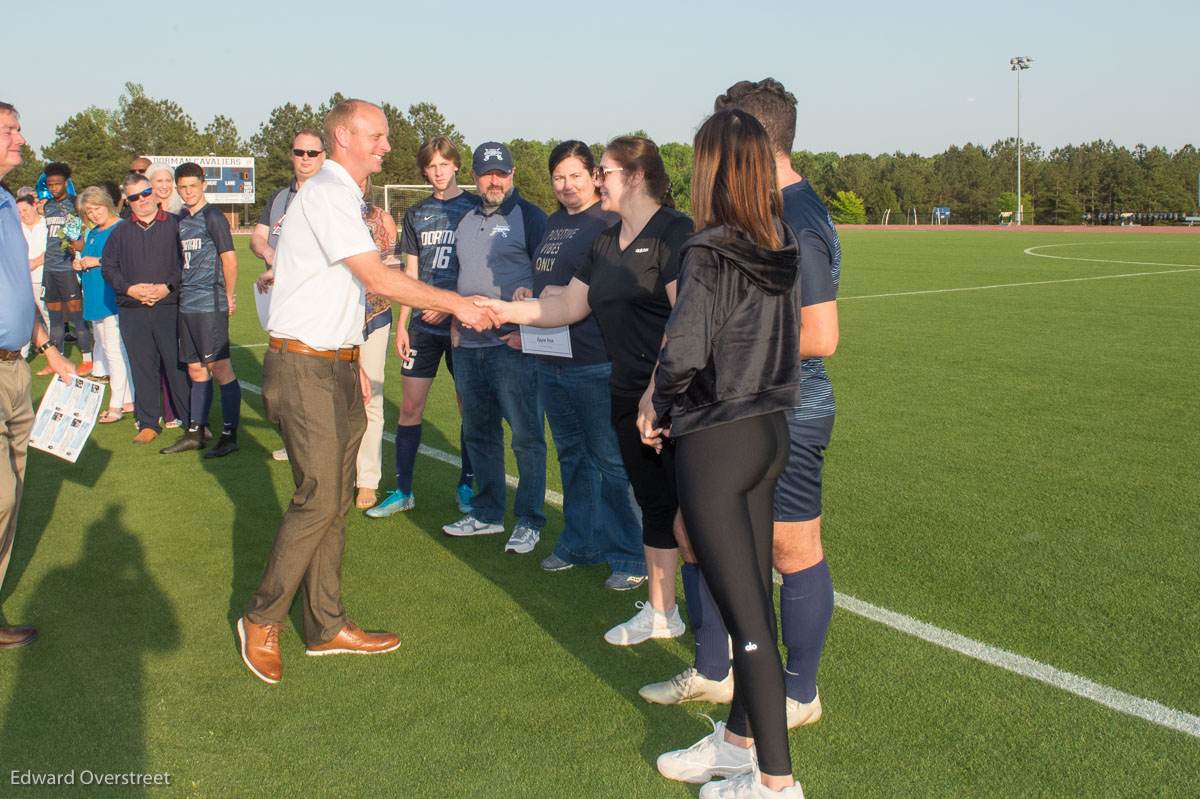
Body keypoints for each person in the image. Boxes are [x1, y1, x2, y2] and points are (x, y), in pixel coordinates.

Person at [237, 99, 498, 685]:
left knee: (333, 499)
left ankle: (325, 625)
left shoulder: (345, 198)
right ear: (342, 136)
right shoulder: (327, 193)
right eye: (376, 136)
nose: (386, 146)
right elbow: (378, 279)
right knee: (318, 498)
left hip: (334, 364)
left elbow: (342, 292)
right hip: (304, 368)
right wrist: (458, 303)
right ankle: (262, 617)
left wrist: (352, 353)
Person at [643, 78, 842, 722]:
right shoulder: (763, 211)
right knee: (697, 535)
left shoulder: (794, 219)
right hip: (737, 407)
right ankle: (716, 671)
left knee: (790, 549)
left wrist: (717, 355)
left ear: (751, 140)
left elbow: (820, 335)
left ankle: (795, 693)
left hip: (780, 407)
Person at [476, 136, 691, 644]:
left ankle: (713, 634)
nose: (596, 180)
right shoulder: (605, 242)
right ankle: (662, 614)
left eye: (606, 172)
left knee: (689, 513)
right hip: (625, 389)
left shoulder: (676, 232)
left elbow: (687, 321)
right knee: (656, 506)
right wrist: (501, 309)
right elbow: (567, 308)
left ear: (636, 177)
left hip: (669, 395)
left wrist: (656, 391)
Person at [652, 108, 804, 799]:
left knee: (746, 622)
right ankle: (738, 744)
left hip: (719, 438)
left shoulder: (709, 248)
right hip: (770, 430)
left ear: (712, 166)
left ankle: (775, 784)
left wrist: (656, 401)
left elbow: (685, 347)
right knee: (754, 607)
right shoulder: (781, 239)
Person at [521, 140, 645, 590]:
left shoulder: (610, 220)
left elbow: (615, 289)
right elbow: (547, 283)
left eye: (576, 175)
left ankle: (631, 556)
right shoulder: (553, 223)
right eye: (558, 177)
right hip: (550, 358)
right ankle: (581, 543)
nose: (567, 185)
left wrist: (563, 298)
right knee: (572, 456)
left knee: (611, 460)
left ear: (594, 176)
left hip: (595, 359)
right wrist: (528, 296)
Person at [440, 142, 548, 556]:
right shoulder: (465, 219)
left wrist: (527, 319)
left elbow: (551, 276)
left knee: (526, 436)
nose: (494, 180)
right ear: (475, 174)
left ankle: (530, 521)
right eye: (487, 173)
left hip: (510, 346)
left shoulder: (530, 216)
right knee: (479, 432)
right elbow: (462, 278)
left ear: (513, 173)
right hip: (468, 345)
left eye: (501, 173)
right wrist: (454, 319)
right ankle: (486, 514)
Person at [366, 136, 479, 519]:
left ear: (456, 166)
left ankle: (467, 485)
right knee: (410, 407)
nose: (438, 171)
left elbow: (477, 269)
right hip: (421, 328)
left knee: (469, 410)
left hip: (461, 324)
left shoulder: (474, 207)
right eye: (431, 166)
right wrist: (403, 324)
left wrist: (449, 310)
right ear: (424, 170)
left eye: (444, 164)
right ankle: (402, 490)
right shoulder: (415, 214)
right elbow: (409, 274)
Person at [1, 100, 77, 650]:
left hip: (18, 366)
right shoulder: (19, 204)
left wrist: (47, 347)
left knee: (15, 491)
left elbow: (13, 287)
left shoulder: (8, 202)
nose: (21, 140)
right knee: (1, 495)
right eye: (10, 131)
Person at [251, 129, 326, 463]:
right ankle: (295, 439)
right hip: (279, 302)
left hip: (314, 303)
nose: (305, 159)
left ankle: (316, 446)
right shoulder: (279, 198)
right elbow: (257, 237)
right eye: (300, 152)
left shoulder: (327, 197)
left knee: (311, 378)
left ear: (324, 157)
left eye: (312, 153)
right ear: (291, 155)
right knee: (278, 386)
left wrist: (284, 267)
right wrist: (272, 256)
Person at [99, 173, 191, 445]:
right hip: (133, 310)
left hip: (169, 307)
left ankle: (192, 421)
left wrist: (168, 287)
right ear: (127, 201)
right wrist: (130, 289)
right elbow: (109, 268)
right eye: (135, 197)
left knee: (177, 366)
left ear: (154, 192)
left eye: (146, 193)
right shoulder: (120, 231)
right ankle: (149, 422)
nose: (142, 200)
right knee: (142, 366)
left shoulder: (177, 224)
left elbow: (185, 262)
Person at [159, 162, 242, 457]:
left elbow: (230, 260)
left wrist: (228, 296)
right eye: (182, 187)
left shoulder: (213, 217)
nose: (188, 191)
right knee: (195, 368)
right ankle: (196, 431)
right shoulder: (182, 221)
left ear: (204, 185)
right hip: (187, 304)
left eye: (193, 185)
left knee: (220, 368)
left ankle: (230, 434)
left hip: (210, 304)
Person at [354, 178, 399, 509]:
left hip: (375, 316)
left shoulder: (382, 218)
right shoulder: (327, 211)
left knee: (371, 396)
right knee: (335, 398)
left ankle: (367, 480)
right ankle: (337, 473)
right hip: (334, 320)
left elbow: (392, 269)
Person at [74, 186, 134, 423]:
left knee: (114, 351)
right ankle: (129, 399)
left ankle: (116, 405)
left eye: (96, 208)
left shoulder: (121, 228)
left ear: (107, 204)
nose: (93, 214)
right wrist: (80, 264)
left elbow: (126, 261)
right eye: (88, 211)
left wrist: (95, 261)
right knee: (112, 351)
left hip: (113, 297)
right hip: (95, 297)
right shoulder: (92, 233)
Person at [38, 162, 93, 375]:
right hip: (49, 268)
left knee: (77, 316)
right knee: (54, 318)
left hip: (68, 269)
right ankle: (56, 360)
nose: (53, 188)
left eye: (57, 184)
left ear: (66, 183)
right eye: (50, 184)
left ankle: (87, 358)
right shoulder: (47, 206)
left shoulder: (74, 204)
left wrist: (76, 247)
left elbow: (81, 234)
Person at [15, 195, 48, 354]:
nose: (23, 214)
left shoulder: (46, 224)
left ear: (35, 205)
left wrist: (35, 262)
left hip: (43, 277)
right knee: (23, 316)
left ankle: (55, 351)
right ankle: (22, 353)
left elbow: (52, 250)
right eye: (19, 212)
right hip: (22, 280)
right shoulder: (16, 227)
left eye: (25, 210)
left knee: (47, 315)